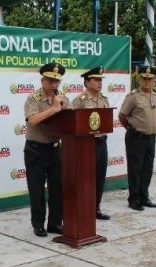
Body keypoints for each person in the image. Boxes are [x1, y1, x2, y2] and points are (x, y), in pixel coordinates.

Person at [23, 63, 69, 237]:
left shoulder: (63, 97)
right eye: (50, 80)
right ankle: (38, 224)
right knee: (37, 190)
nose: (54, 84)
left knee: (57, 189)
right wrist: (54, 109)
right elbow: (33, 120)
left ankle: (55, 223)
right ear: (43, 80)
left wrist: (65, 109)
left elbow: (72, 117)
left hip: (56, 149)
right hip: (36, 150)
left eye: (57, 81)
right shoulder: (33, 99)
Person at [118, 66, 156, 211]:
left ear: (154, 81)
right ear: (140, 79)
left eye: (150, 79)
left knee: (147, 168)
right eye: (144, 78)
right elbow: (122, 116)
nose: (147, 82)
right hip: (136, 137)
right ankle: (134, 199)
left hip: (151, 138)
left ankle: (144, 196)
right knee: (135, 169)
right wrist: (133, 129)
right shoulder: (133, 96)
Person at [72, 66, 111, 220]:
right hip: (86, 144)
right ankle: (82, 209)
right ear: (87, 82)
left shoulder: (104, 99)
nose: (99, 83)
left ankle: (95, 208)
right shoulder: (80, 101)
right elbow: (71, 122)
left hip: (102, 142)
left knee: (99, 177)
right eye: (96, 79)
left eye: (100, 80)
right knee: (84, 178)